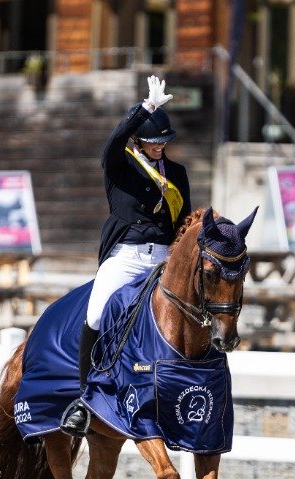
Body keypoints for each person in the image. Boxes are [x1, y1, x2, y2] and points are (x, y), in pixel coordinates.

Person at [61, 75, 192, 438]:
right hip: (127, 255)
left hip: (163, 256)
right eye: (153, 142)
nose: (159, 148)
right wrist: (146, 108)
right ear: (140, 140)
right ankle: (84, 401)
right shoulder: (120, 163)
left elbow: (183, 220)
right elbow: (115, 139)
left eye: (164, 143)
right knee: (97, 312)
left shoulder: (177, 173)